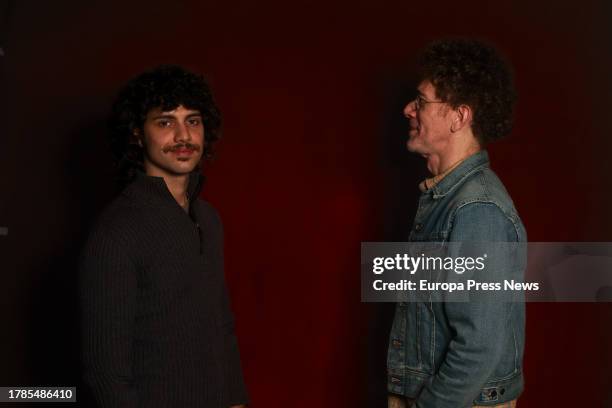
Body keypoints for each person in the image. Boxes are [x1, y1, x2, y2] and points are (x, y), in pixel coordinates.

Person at [79, 65, 248, 408]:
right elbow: (106, 372)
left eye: (193, 121)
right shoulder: (117, 231)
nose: (183, 136)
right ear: (138, 134)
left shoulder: (208, 218)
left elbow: (222, 327)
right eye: (166, 122)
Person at [387, 39, 526, 408]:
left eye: (420, 101)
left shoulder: (476, 210)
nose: (407, 110)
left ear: (458, 117)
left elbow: (479, 347)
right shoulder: (445, 200)